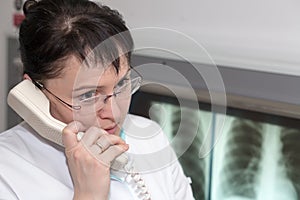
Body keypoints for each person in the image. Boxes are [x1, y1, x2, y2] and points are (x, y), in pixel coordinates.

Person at [0, 0, 195, 199]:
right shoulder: (6, 171)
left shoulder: (151, 137)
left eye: (121, 85)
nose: (114, 113)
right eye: (87, 96)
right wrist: (88, 194)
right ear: (34, 91)